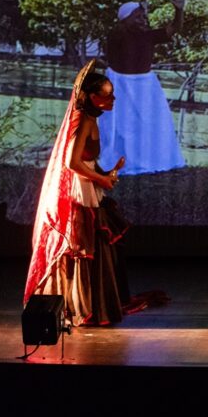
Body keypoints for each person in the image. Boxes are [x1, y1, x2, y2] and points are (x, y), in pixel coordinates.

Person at [24, 61, 131, 326]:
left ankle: (91, 304)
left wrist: (106, 173)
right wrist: (101, 180)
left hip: (88, 185)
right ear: (93, 97)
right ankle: (79, 306)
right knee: (84, 244)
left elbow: (86, 160)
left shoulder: (90, 117)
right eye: (107, 95)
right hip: (79, 192)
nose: (113, 99)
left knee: (93, 243)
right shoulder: (82, 119)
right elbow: (71, 162)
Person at [100, 0, 186, 175]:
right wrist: (136, 10)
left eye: (143, 17)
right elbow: (121, 30)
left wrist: (178, 10)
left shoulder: (148, 36)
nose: (142, 20)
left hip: (145, 87)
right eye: (137, 17)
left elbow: (174, 28)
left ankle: (152, 160)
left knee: (150, 125)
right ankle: (121, 161)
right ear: (125, 20)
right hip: (120, 84)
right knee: (121, 127)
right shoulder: (116, 34)